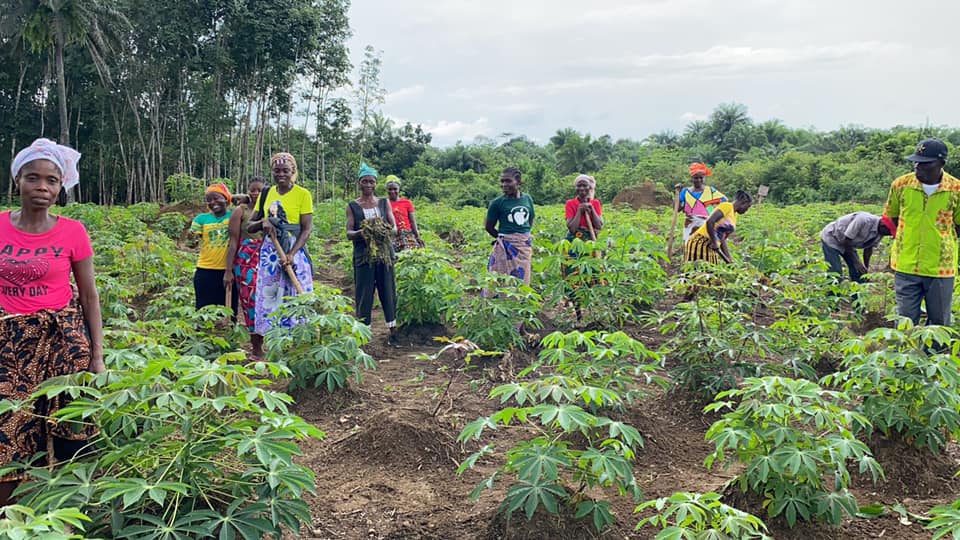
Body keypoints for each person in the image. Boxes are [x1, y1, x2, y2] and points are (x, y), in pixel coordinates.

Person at [0, 139, 104, 504]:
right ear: (17, 181)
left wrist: (97, 356)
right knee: (8, 427)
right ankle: (9, 514)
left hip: (62, 340)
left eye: (51, 181)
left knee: (68, 427)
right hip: (8, 343)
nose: (42, 188)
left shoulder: (73, 231)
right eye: (33, 178)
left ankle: (62, 507)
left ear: (61, 187)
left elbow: (89, 297)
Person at [883, 138, 960, 327]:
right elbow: (890, 218)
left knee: (939, 323)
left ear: (941, 163)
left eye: (926, 164)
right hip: (905, 264)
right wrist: (904, 239)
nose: (919, 167)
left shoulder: (956, 189)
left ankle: (934, 356)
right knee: (904, 321)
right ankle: (906, 355)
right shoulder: (901, 185)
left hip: (940, 266)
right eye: (916, 162)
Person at [248, 152, 314, 335]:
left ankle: (300, 338)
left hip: (294, 251)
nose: (281, 174)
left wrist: (292, 254)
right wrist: (263, 222)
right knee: (271, 296)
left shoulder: (303, 194)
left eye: (285, 170)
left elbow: (306, 229)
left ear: (293, 171)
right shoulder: (266, 193)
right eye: (277, 171)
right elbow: (250, 226)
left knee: (296, 295)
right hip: (271, 252)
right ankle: (273, 339)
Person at [346, 163, 400, 345]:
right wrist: (363, 233)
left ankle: (393, 330)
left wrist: (384, 230)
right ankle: (363, 333)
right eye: (365, 181)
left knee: (388, 291)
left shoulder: (384, 204)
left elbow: (394, 228)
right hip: (363, 256)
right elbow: (348, 233)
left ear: (376, 183)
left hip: (384, 255)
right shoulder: (353, 206)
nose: (368, 185)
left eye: (371, 181)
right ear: (359, 183)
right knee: (364, 293)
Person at [225, 177, 265, 359]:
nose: (255, 193)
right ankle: (256, 346)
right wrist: (228, 270)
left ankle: (269, 341)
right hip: (246, 261)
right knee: (250, 303)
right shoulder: (241, 211)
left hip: (267, 259)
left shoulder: (270, 208)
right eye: (252, 190)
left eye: (259, 190)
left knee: (269, 301)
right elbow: (233, 242)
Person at [485, 167, 535, 283]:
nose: (504, 185)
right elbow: (489, 227)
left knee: (522, 279)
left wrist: (522, 237)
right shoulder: (497, 203)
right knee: (501, 278)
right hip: (504, 246)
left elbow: (530, 219)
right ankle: (500, 301)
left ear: (517, 181)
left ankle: (519, 301)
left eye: (508, 181)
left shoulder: (527, 199)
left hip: (523, 245)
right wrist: (503, 239)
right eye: (502, 181)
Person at [190, 182, 233, 309]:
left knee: (228, 310)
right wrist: (190, 238)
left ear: (225, 198)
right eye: (209, 200)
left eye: (216, 198)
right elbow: (192, 245)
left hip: (227, 270)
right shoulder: (201, 219)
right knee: (203, 309)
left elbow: (247, 202)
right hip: (205, 268)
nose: (213, 202)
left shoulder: (234, 215)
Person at [820, 212, 895, 283]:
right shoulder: (863, 220)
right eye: (889, 232)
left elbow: (868, 249)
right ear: (883, 226)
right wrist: (857, 263)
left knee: (859, 272)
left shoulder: (881, 232)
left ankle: (857, 295)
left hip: (849, 244)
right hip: (832, 237)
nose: (889, 235)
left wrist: (865, 268)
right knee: (835, 272)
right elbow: (846, 241)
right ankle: (832, 293)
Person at [683, 190, 752, 264]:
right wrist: (714, 241)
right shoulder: (727, 206)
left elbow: (722, 238)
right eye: (747, 207)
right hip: (701, 242)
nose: (746, 210)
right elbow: (710, 221)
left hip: (712, 246)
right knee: (699, 272)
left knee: (711, 271)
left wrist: (729, 258)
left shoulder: (734, 216)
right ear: (743, 203)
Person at [676, 162, 727, 243]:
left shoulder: (710, 191)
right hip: (690, 226)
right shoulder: (685, 192)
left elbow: (724, 201)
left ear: (704, 178)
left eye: (701, 177)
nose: (699, 180)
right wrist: (678, 194)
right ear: (692, 178)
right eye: (696, 178)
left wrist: (715, 215)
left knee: (706, 248)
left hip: (707, 225)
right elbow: (677, 209)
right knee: (690, 247)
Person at [385, 175, 424, 251]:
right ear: (386, 190)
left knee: (411, 255)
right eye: (390, 189)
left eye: (395, 189)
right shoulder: (384, 203)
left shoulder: (407, 203)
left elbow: (412, 222)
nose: (392, 191)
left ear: (399, 189)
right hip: (392, 234)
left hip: (407, 233)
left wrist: (417, 236)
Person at [565, 174, 603, 240]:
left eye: (585, 185)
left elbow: (599, 226)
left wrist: (592, 208)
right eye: (579, 186)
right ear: (575, 187)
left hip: (592, 238)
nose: (582, 188)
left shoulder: (595, 203)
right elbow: (572, 229)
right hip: (575, 238)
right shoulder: (570, 203)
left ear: (590, 187)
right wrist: (579, 211)